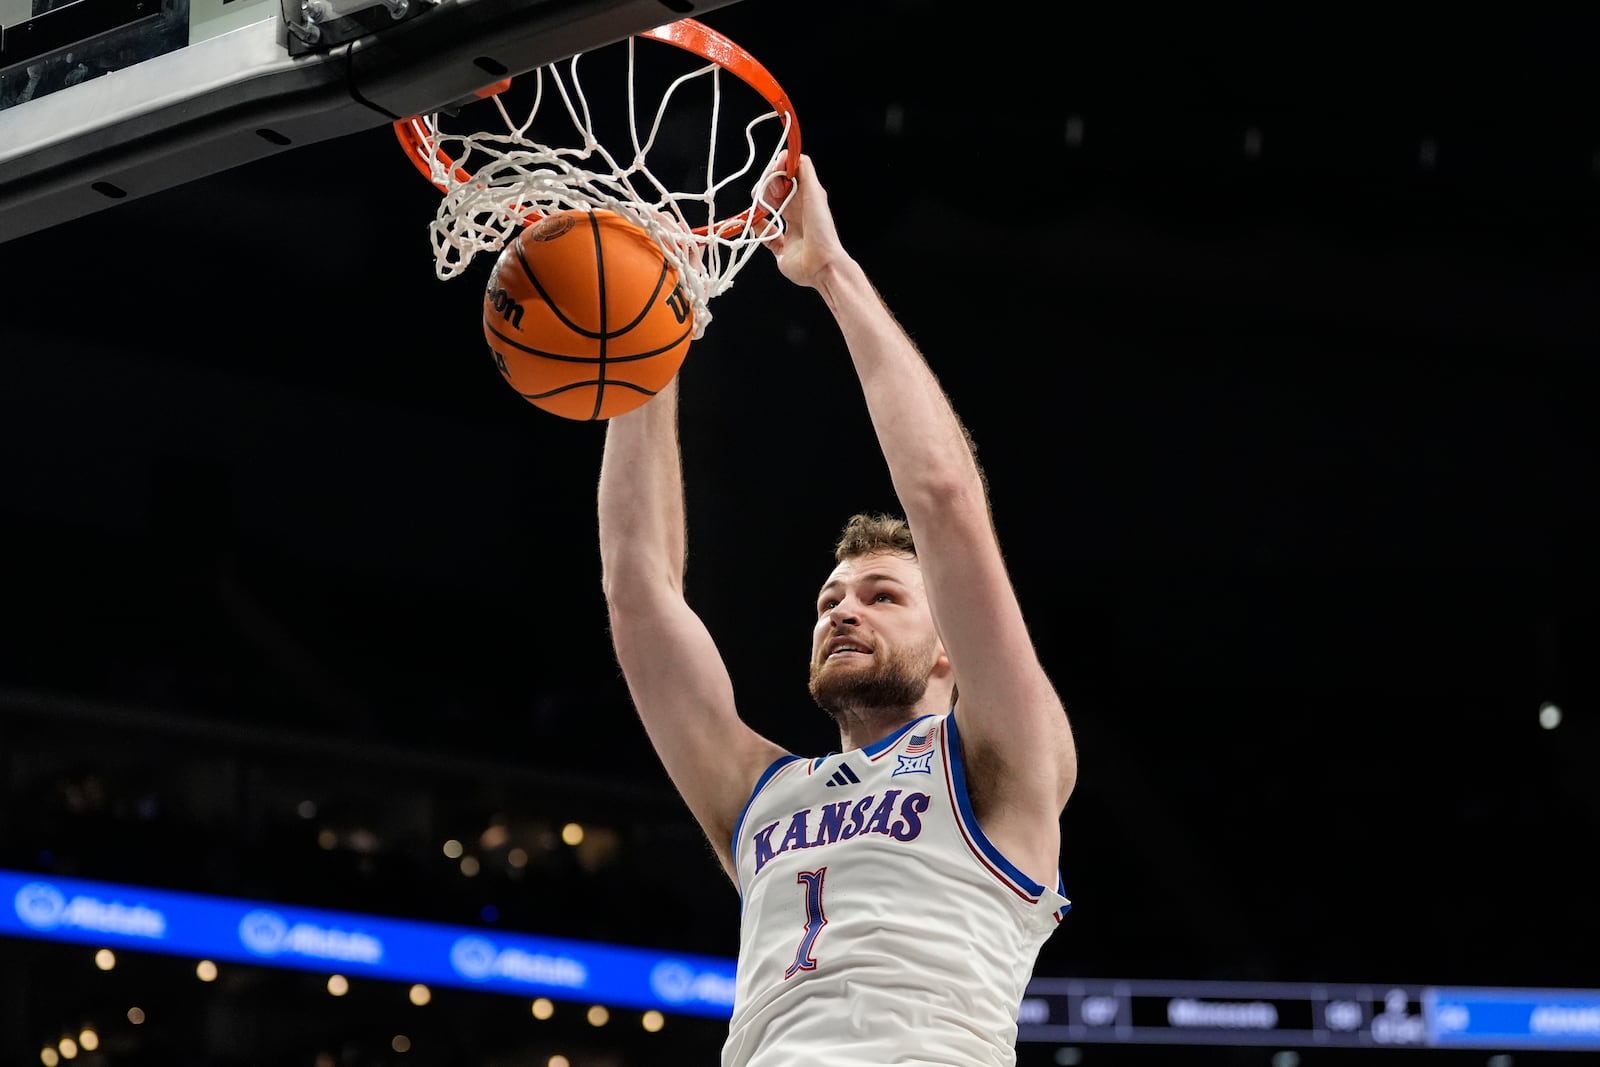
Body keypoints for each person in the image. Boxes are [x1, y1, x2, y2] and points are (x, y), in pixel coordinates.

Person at [596, 154, 1078, 1067]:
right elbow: (640, 593)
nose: (842, 610)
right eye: (831, 597)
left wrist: (829, 273)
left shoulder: (1004, 760)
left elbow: (943, 497)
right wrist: (648, 353)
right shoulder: (759, 792)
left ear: (949, 650)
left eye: (883, 593)